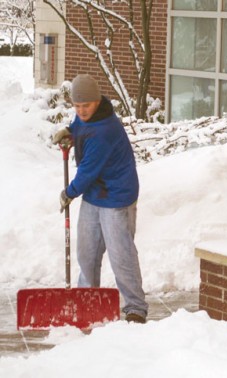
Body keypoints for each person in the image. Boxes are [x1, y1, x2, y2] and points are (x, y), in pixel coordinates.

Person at [52, 74, 148, 323]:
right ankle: (87, 299)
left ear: (96, 101)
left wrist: (68, 193)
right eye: (77, 106)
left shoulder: (105, 129)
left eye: (86, 105)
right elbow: (82, 128)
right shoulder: (87, 117)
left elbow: (87, 172)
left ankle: (135, 307)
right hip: (96, 193)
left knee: (121, 254)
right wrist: (70, 131)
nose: (81, 111)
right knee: (87, 252)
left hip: (116, 197)